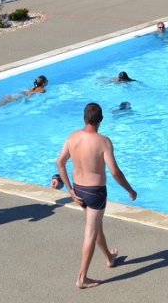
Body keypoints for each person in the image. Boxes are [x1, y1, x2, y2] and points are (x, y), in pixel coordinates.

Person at [55, 102, 137, 289]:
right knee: (90, 233)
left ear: (84, 118)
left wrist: (70, 190)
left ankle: (109, 257)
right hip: (95, 193)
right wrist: (130, 190)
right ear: (101, 120)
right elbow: (115, 172)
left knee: (96, 226)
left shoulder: (72, 137)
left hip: (79, 190)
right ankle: (82, 278)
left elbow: (60, 163)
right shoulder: (103, 142)